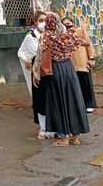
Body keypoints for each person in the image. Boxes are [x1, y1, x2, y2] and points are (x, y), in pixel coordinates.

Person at [33, 13, 90, 147]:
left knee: (58, 102)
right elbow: (83, 42)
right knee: (73, 100)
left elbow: (40, 56)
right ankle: (75, 137)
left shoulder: (46, 36)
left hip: (56, 70)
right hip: (69, 69)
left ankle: (63, 137)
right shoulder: (67, 34)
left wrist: (36, 73)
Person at [18, 11, 53, 139]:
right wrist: (27, 61)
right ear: (35, 22)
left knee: (51, 100)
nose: (43, 23)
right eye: (40, 20)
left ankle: (53, 126)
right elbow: (22, 52)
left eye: (46, 20)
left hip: (50, 73)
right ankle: (43, 128)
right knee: (40, 100)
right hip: (38, 74)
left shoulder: (52, 36)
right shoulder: (31, 37)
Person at [62, 17, 97, 114]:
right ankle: (76, 106)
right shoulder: (62, 35)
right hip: (70, 64)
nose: (68, 26)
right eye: (65, 25)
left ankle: (88, 104)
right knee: (73, 86)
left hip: (82, 62)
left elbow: (88, 44)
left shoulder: (80, 31)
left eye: (69, 24)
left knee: (85, 84)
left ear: (73, 23)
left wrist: (92, 58)